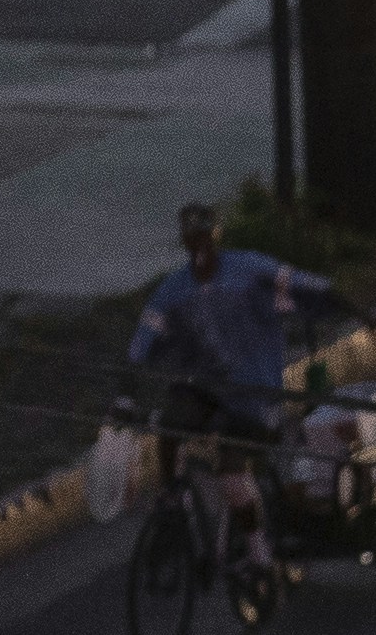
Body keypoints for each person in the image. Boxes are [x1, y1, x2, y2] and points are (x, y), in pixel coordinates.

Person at [125, 205, 339, 495]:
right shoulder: (175, 288)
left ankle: (255, 517)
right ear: (186, 243)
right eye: (192, 239)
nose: (200, 246)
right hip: (208, 389)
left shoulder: (248, 269)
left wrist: (363, 315)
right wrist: (125, 396)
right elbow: (141, 344)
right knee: (172, 426)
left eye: (204, 237)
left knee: (236, 469)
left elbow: (307, 285)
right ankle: (171, 495)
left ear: (215, 236)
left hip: (256, 394)